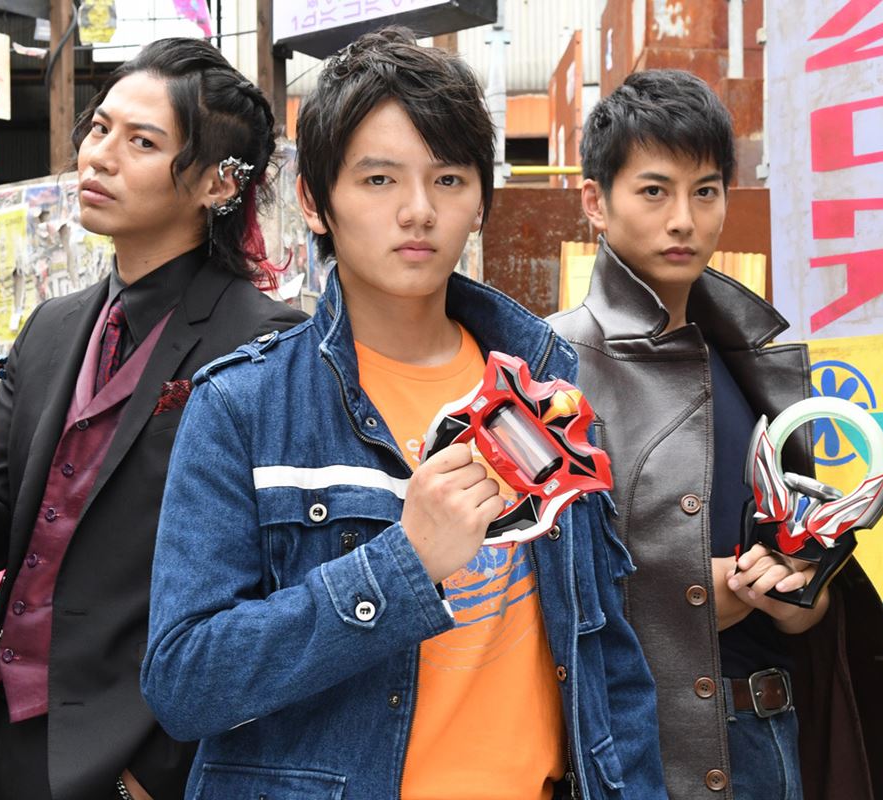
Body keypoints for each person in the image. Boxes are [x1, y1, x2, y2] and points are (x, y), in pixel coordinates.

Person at [143, 28, 666, 800]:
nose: (419, 211)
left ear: (480, 201)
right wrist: (403, 565)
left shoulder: (545, 387)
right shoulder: (243, 407)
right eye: (380, 179)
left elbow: (606, 658)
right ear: (315, 202)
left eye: (448, 179)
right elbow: (185, 681)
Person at [0, 38, 304, 800]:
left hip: (132, 760)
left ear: (220, 183)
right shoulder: (51, 329)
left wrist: (158, 771)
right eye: (99, 129)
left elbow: (277, 593)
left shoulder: (265, 346)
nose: (99, 156)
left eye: (142, 142)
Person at [550, 69, 883, 800]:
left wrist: (799, 598)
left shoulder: (751, 357)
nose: (683, 220)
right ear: (596, 201)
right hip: (641, 755)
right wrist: (692, 597)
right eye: (654, 191)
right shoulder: (553, 363)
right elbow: (529, 587)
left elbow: (799, 565)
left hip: (774, 742)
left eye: (705, 191)